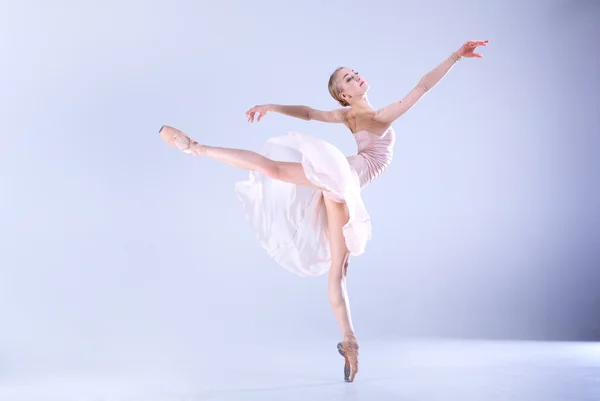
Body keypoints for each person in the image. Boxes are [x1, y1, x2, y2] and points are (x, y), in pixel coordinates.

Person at [159, 39, 488, 382]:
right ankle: (198, 148)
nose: (356, 77)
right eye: (348, 78)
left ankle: (350, 343)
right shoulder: (375, 116)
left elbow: (309, 113)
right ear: (344, 95)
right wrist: (454, 57)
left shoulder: (349, 115)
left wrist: (271, 106)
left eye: (354, 73)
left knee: (333, 262)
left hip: (343, 188)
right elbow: (421, 87)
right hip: (345, 177)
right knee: (279, 178)